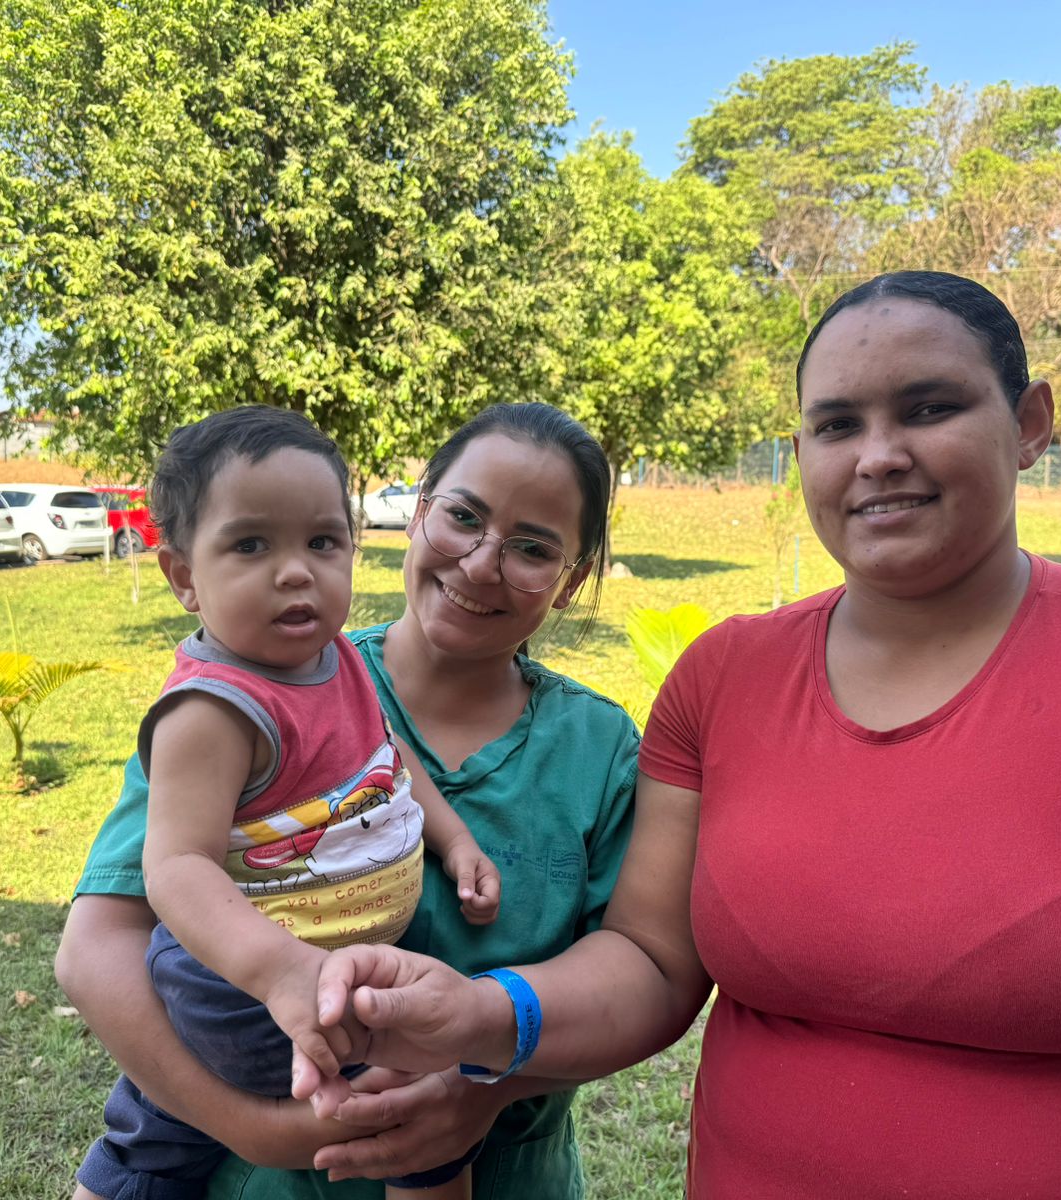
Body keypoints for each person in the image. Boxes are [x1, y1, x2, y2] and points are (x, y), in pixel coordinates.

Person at [304, 272, 1061, 1200]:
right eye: (837, 425)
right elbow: (653, 960)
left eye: (929, 409)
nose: (879, 456)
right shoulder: (726, 678)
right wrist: (487, 1015)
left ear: (1029, 423)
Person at [58, 402, 640, 1199]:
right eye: (462, 516)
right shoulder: (254, 690)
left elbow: (645, 976)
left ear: (570, 582)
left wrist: (484, 1080)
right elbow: (98, 946)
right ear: (419, 511)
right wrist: (252, 1128)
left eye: (533, 548)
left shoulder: (599, 749)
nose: (478, 563)